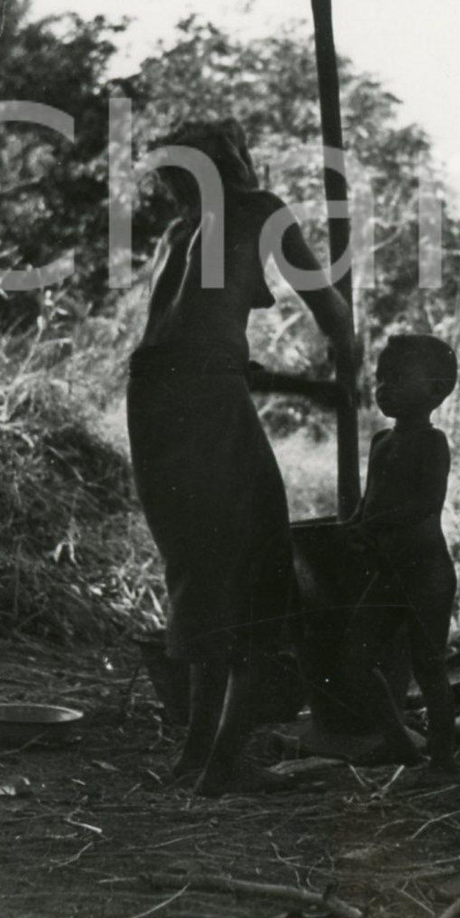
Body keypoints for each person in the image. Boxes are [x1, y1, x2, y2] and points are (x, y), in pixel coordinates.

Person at [126, 118, 354, 796]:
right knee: (258, 566)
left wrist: (308, 389)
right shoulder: (261, 210)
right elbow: (332, 315)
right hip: (200, 389)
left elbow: (207, 352)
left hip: (150, 396)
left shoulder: (177, 235)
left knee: (200, 565)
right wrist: (352, 370)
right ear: (236, 160)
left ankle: (195, 756)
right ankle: (223, 764)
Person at [342, 333, 460, 771]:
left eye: (396, 378)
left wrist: (371, 526)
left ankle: (443, 759)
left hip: (427, 573)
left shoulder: (432, 443)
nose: (383, 388)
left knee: (429, 667)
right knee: (355, 657)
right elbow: (371, 498)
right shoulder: (380, 442)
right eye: (380, 378)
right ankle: (398, 741)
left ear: (436, 390)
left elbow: (426, 504)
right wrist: (356, 522)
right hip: (390, 572)